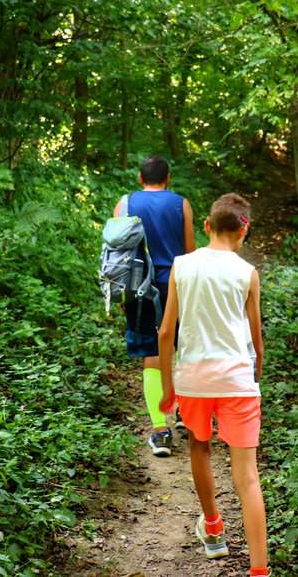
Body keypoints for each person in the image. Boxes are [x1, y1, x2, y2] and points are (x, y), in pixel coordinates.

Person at [157, 193, 268, 577]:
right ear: (244, 230)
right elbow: (256, 341)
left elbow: (166, 331)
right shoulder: (247, 274)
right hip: (237, 381)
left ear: (207, 226)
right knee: (248, 478)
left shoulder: (182, 265)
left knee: (199, 446)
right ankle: (259, 570)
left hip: (193, 380)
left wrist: (168, 387)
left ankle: (214, 528)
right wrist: (255, 375)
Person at [113, 155, 195, 457]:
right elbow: (190, 252)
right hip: (175, 283)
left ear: (140, 177)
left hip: (139, 286)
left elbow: (117, 252)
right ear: (168, 178)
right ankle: (185, 411)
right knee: (182, 347)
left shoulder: (125, 204)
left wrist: (122, 293)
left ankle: (161, 431)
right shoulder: (181, 204)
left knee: (151, 353)